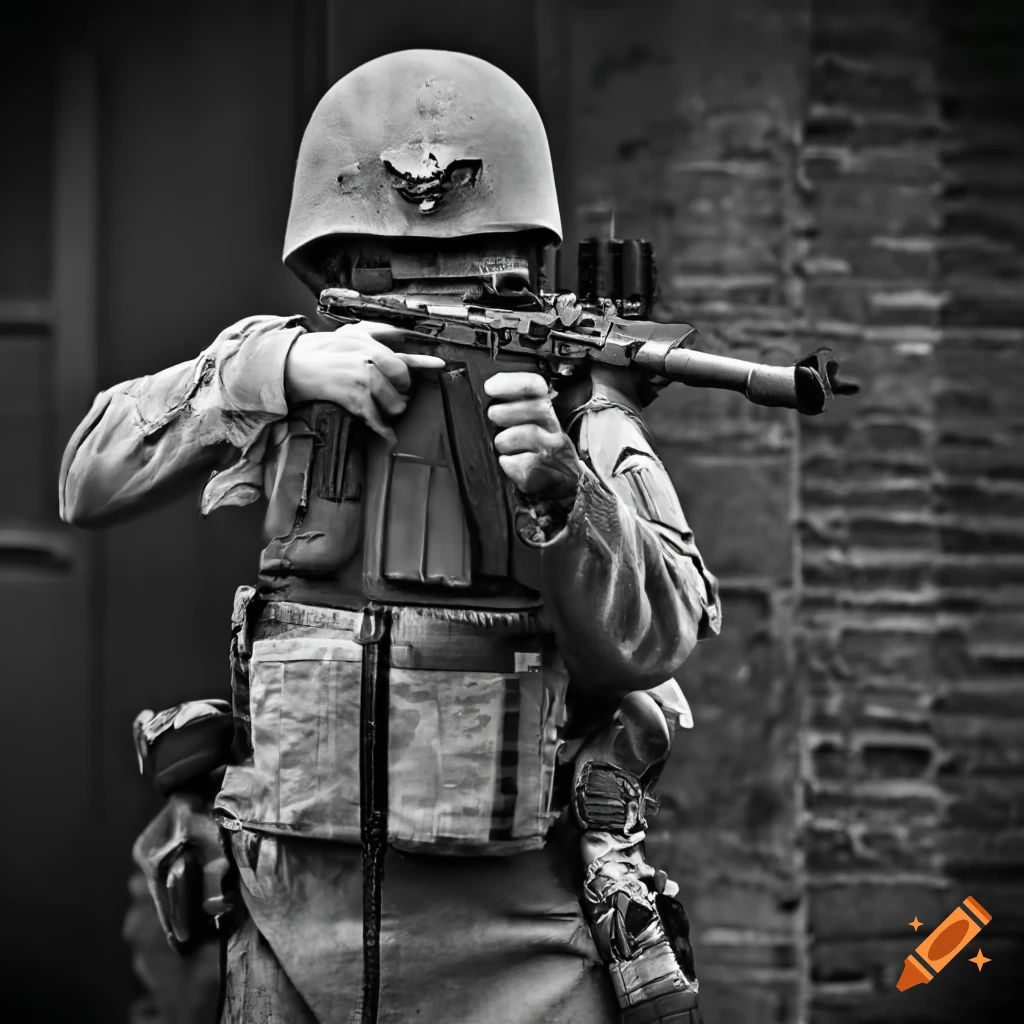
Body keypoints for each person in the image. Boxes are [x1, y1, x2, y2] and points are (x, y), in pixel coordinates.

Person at [60, 49, 721, 1024]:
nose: (434, 296)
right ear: (332, 274)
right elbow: (88, 475)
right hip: (286, 941)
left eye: (472, 270)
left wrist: (565, 490)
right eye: (390, 270)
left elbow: (661, 637)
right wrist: (271, 368)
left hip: (518, 966)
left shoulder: (573, 419)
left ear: (525, 272)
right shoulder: (296, 379)